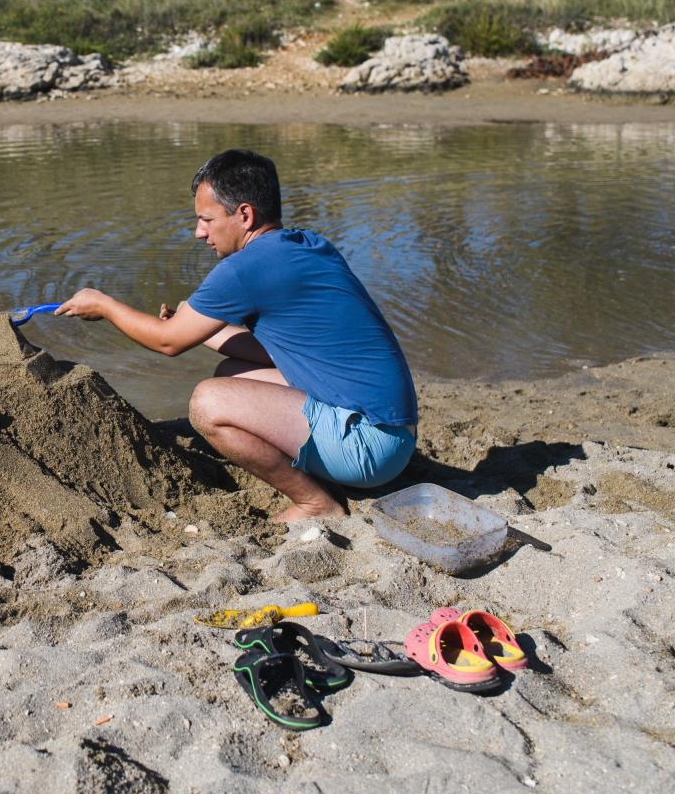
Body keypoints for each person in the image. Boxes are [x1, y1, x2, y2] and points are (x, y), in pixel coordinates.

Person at [55, 149, 417, 522]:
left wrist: (104, 305)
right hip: (393, 434)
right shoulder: (305, 245)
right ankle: (321, 469)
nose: (199, 232)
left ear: (244, 214)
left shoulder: (246, 268)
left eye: (206, 219)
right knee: (231, 371)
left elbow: (168, 342)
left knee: (209, 403)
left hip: (369, 449)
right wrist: (189, 321)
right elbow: (276, 352)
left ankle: (316, 504)